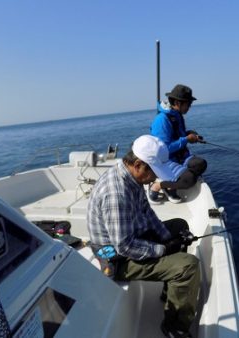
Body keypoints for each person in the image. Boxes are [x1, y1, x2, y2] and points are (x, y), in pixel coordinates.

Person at [87, 134, 200, 338]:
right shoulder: (117, 193)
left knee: (179, 227)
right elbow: (124, 246)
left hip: (130, 238)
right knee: (188, 265)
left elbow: (147, 213)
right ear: (138, 164)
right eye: (153, 173)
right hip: (117, 260)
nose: (155, 179)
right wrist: (163, 249)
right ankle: (175, 326)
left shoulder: (132, 178)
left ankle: (171, 291)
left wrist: (168, 237)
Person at [150, 84, 207, 201]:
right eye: (188, 104)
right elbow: (164, 149)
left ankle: (176, 178)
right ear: (178, 103)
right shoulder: (161, 120)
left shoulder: (177, 115)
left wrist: (190, 134)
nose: (189, 107)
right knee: (189, 179)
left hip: (180, 157)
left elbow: (177, 135)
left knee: (201, 164)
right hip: (166, 161)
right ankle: (160, 186)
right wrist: (186, 139)